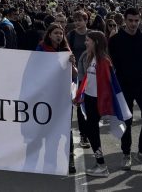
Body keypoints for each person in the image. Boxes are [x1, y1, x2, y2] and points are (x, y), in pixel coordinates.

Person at [108, 7, 142, 172]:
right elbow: (109, 65)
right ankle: (126, 153)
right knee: (125, 121)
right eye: (130, 20)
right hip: (123, 86)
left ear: (140, 20)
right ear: (125, 21)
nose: (134, 24)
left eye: (136, 21)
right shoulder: (115, 40)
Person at [35, 23, 78, 174]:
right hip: (47, 96)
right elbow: (35, 68)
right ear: (49, 35)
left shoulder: (66, 50)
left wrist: (72, 63)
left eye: (61, 33)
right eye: (56, 33)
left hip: (63, 96)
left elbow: (74, 75)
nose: (59, 36)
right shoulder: (41, 49)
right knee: (48, 127)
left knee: (65, 128)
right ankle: (49, 160)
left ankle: (70, 158)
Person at [75, 31, 116, 177]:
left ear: (96, 43)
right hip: (89, 99)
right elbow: (87, 79)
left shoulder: (104, 61)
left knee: (92, 132)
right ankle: (100, 163)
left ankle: (102, 165)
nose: (85, 43)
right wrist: (80, 95)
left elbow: (106, 85)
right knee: (90, 131)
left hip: (96, 102)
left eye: (88, 40)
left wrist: (104, 107)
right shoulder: (91, 58)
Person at [67, 10, 91, 149]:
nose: (77, 22)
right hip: (75, 75)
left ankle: (86, 133)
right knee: (79, 104)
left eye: (80, 20)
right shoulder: (71, 35)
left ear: (86, 21)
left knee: (88, 105)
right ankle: (83, 135)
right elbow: (67, 51)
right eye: (75, 20)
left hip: (90, 74)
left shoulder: (92, 34)